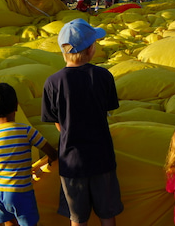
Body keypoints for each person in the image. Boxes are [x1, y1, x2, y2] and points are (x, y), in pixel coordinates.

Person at [41, 19, 124, 226]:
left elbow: (57, 123)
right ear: (90, 49)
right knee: (107, 214)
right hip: (101, 156)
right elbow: (105, 110)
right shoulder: (103, 76)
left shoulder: (52, 82)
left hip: (71, 162)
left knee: (77, 218)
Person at [0, 83, 58, 226]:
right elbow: (52, 153)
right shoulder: (26, 131)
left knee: (10, 223)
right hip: (19, 191)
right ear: (17, 106)